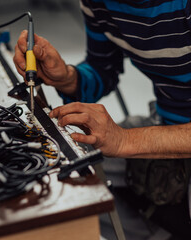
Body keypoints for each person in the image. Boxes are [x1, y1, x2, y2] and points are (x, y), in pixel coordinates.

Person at [13, 0, 191, 238]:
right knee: (63, 187)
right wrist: (66, 77)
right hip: (167, 119)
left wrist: (126, 140)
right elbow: (103, 67)